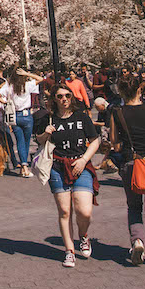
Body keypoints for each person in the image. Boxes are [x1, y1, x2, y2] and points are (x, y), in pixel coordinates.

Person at [35, 83, 101, 268]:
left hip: (81, 165)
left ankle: (84, 236)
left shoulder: (81, 117)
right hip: (58, 166)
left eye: (67, 96)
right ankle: (69, 250)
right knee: (64, 211)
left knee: (84, 212)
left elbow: (95, 140)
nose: (64, 99)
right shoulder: (48, 119)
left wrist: (84, 159)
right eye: (60, 96)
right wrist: (45, 134)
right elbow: (38, 140)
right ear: (54, 100)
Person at [109, 74, 145, 266]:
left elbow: (115, 143)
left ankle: (137, 241)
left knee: (134, 206)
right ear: (139, 90)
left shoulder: (117, 113)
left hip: (130, 163)